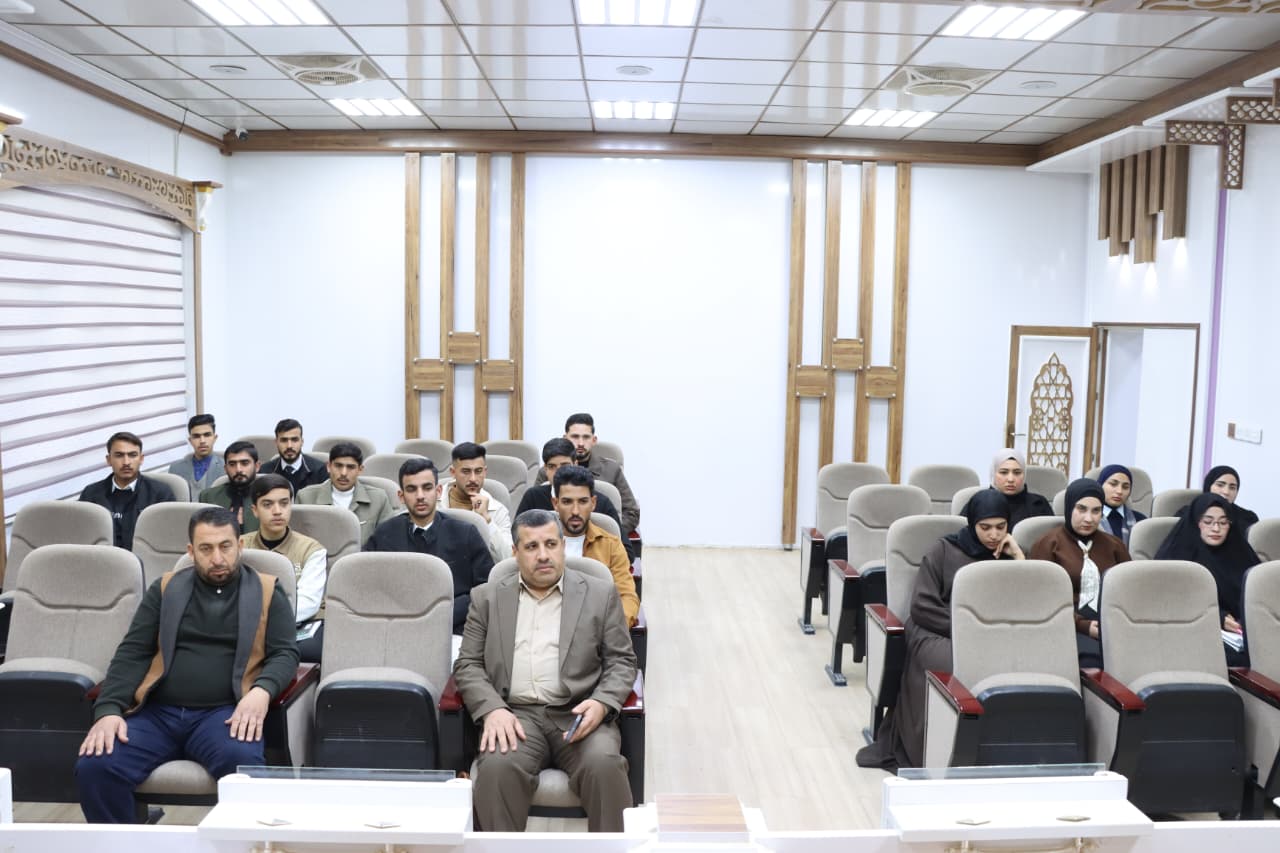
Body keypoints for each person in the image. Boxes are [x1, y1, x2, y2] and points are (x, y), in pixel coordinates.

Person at [74, 507, 298, 823]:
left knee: (242, 766)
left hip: (223, 714)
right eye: (206, 549)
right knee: (96, 765)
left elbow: (285, 654)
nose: (217, 558)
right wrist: (108, 710)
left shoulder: (267, 591)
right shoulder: (165, 589)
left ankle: (241, 842)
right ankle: (125, 843)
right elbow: (133, 653)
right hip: (157, 714)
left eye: (225, 546)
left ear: (240, 546)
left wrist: (262, 691)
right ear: (191, 551)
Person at [454, 509, 637, 832]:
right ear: (515, 552)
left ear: (563, 546)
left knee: (604, 766)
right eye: (531, 547)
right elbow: (467, 664)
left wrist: (602, 702)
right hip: (516, 716)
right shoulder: (487, 598)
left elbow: (622, 661)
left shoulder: (599, 593)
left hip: (579, 714)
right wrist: (492, 709)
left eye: (551, 544)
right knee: (496, 770)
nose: (543, 555)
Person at [856, 490, 1024, 771]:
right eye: (985, 527)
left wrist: (1018, 556)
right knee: (953, 664)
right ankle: (935, 753)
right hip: (937, 629)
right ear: (972, 523)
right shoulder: (944, 550)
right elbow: (922, 606)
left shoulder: (1008, 556)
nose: (994, 535)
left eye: (1000, 527)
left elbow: (1026, 602)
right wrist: (968, 631)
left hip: (991, 635)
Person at [364, 458, 494, 636]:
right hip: (395, 629)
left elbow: (485, 589)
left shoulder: (465, 533)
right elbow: (367, 583)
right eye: (411, 489)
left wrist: (444, 615)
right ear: (401, 496)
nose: (420, 496)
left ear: (438, 491)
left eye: (427, 488)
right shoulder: (385, 533)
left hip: (453, 629)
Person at [1030, 478, 1131, 668]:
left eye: (1096, 511)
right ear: (1069, 508)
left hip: (1110, 623)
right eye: (1082, 509)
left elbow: (1129, 592)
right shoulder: (1048, 544)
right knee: (1092, 662)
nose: (1089, 519)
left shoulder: (1114, 545)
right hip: (1065, 624)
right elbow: (1040, 599)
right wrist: (1083, 625)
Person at [1156, 492, 1260, 667]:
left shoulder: (1241, 553)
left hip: (1241, 635)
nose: (1216, 529)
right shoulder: (1175, 556)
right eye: (1208, 521)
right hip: (1190, 632)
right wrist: (1216, 616)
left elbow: (1259, 598)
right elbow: (1167, 601)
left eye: (1223, 522)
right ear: (1196, 522)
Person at [239, 474, 328, 663]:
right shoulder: (240, 547)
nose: (277, 511)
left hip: (301, 623)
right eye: (268, 504)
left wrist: (267, 623)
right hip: (248, 624)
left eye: (284, 503)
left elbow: (308, 602)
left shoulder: (312, 549)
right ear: (255, 510)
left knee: (299, 652)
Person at [517, 438, 632, 561]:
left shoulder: (602, 502)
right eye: (552, 467)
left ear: (575, 464)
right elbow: (517, 541)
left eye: (564, 465)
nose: (558, 472)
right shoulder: (533, 497)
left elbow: (626, 553)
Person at [552, 465, 639, 627]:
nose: (575, 511)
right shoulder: (537, 545)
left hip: (597, 630)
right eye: (567, 502)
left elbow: (627, 597)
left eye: (583, 502)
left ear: (593, 503)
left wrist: (610, 630)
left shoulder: (611, 545)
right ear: (555, 504)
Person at [535, 414, 640, 539]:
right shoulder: (547, 472)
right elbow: (535, 509)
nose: (580, 443)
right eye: (575, 437)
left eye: (586, 437)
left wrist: (609, 533)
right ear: (565, 438)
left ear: (594, 440)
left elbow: (631, 512)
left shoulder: (611, 470)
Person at [79, 431, 176, 549]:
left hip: (145, 559)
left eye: (132, 455)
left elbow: (169, 539)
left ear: (141, 459)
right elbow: (81, 536)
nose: (126, 462)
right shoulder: (91, 494)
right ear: (109, 460)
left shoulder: (161, 494)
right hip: (102, 557)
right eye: (119, 455)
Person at [297, 442, 396, 546]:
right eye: (338, 466)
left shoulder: (379, 499)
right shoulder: (305, 498)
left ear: (360, 470)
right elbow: (297, 541)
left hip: (362, 555)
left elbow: (387, 542)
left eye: (350, 467)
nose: (343, 473)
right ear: (329, 467)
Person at [446, 442, 513, 560]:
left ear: (485, 471)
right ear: (453, 472)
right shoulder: (434, 501)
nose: (473, 479)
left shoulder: (498, 510)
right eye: (466, 471)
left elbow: (508, 558)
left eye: (478, 471)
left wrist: (486, 520)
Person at [962, 449, 1052, 530]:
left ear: (1024, 474)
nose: (1010, 479)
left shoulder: (1039, 504)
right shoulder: (978, 502)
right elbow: (961, 536)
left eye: (1017, 473)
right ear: (993, 474)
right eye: (1004, 472)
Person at [198, 441, 261, 534]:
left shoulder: (268, 496)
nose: (238, 469)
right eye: (232, 464)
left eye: (244, 463)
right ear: (225, 469)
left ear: (257, 466)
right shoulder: (208, 496)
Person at [1179, 465, 1260, 533]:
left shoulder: (1248, 517)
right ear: (1208, 487)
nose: (1226, 492)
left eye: (1232, 487)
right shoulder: (1187, 513)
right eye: (1220, 485)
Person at [258, 418, 327, 495]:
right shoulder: (265, 472)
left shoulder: (320, 470)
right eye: (284, 440)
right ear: (276, 442)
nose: (289, 446)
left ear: (302, 442)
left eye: (294, 440)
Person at [168, 414, 224, 497]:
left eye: (207, 435)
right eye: (196, 436)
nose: (202, 441)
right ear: (190, 440)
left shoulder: (225, 468)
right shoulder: (175, 468)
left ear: (214, 438)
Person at [1096, 464, 1146, 545]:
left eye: (1125, 487)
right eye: (1113, 484)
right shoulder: (1089, 519)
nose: (1119, 491)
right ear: (1100, 485)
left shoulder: (1140, 521)